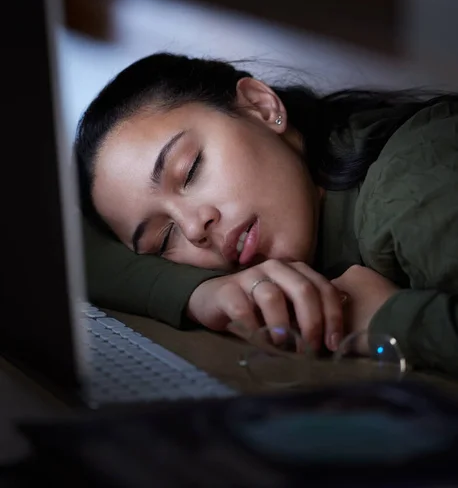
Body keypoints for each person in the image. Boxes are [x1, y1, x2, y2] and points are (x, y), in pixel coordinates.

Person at [75, 53, 458, 377]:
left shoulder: (410, 190)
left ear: (261, 106)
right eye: (163, 239)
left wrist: (390, 318)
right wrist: (201, 293)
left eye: (190, 170)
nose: (194, 228)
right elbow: (67, 245)